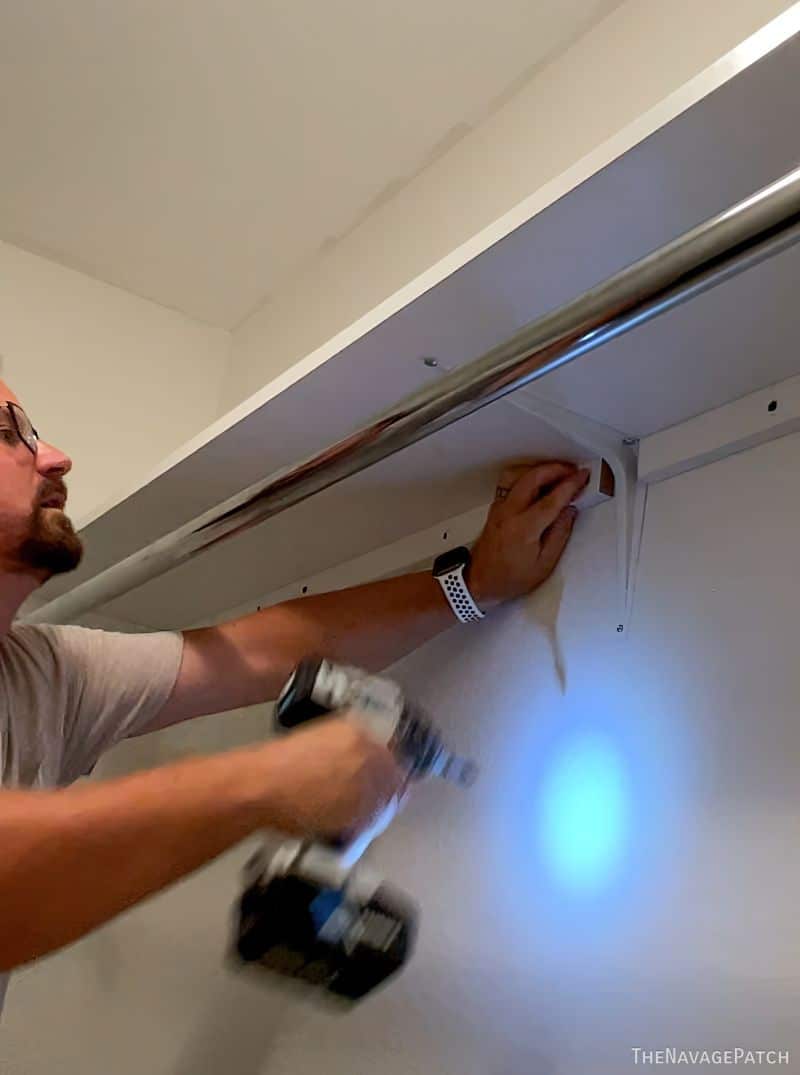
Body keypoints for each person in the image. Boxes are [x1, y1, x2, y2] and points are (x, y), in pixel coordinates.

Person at [0, 375, 588, 1007]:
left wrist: (475, 586)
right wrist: (269, 783)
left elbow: (259, 652)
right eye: (10, 432)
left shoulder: (43, 672)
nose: (56, 456)